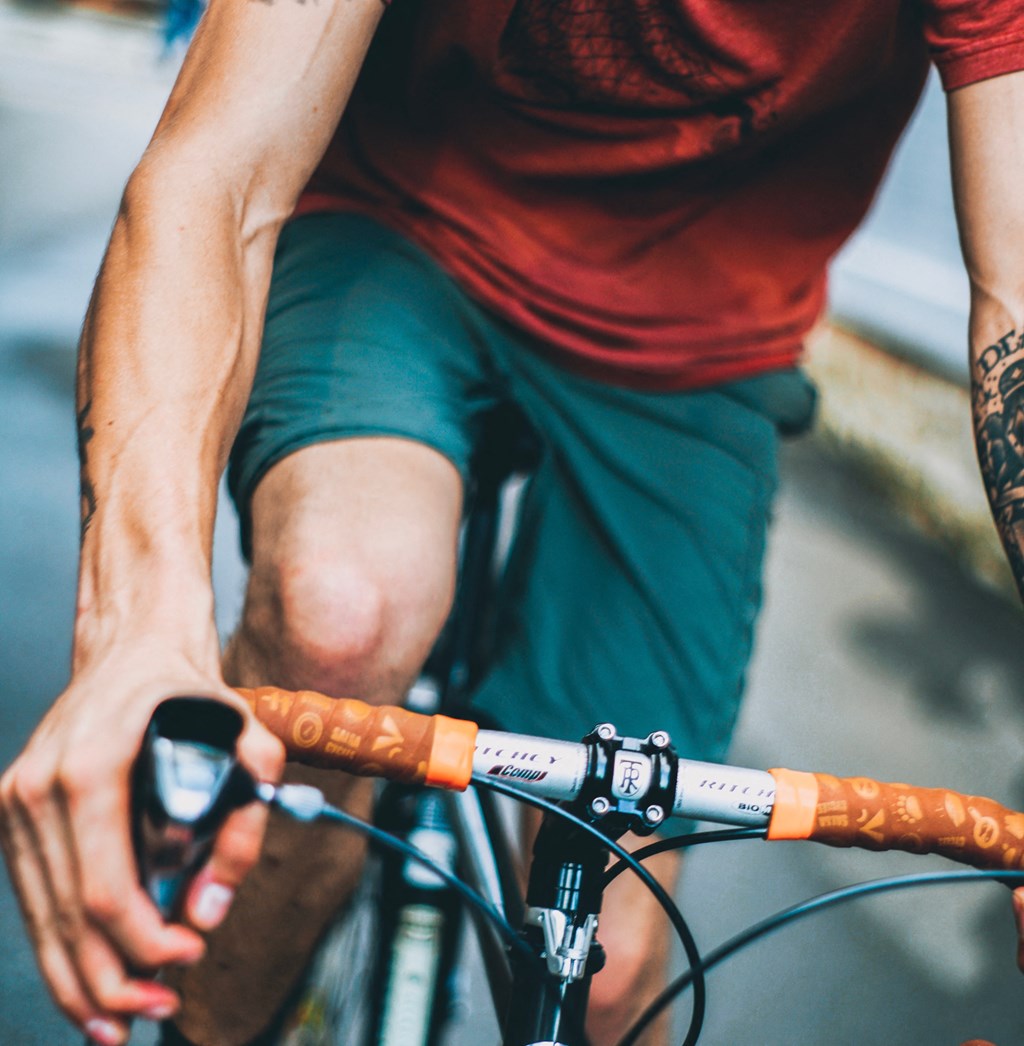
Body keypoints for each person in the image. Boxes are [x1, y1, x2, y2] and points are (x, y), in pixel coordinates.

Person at [3, 2, 1024, 1044]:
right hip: (393, 228)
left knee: (616, 972)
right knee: (336, 615)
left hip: (698, 341)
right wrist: (137, 636)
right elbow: (212, 177)